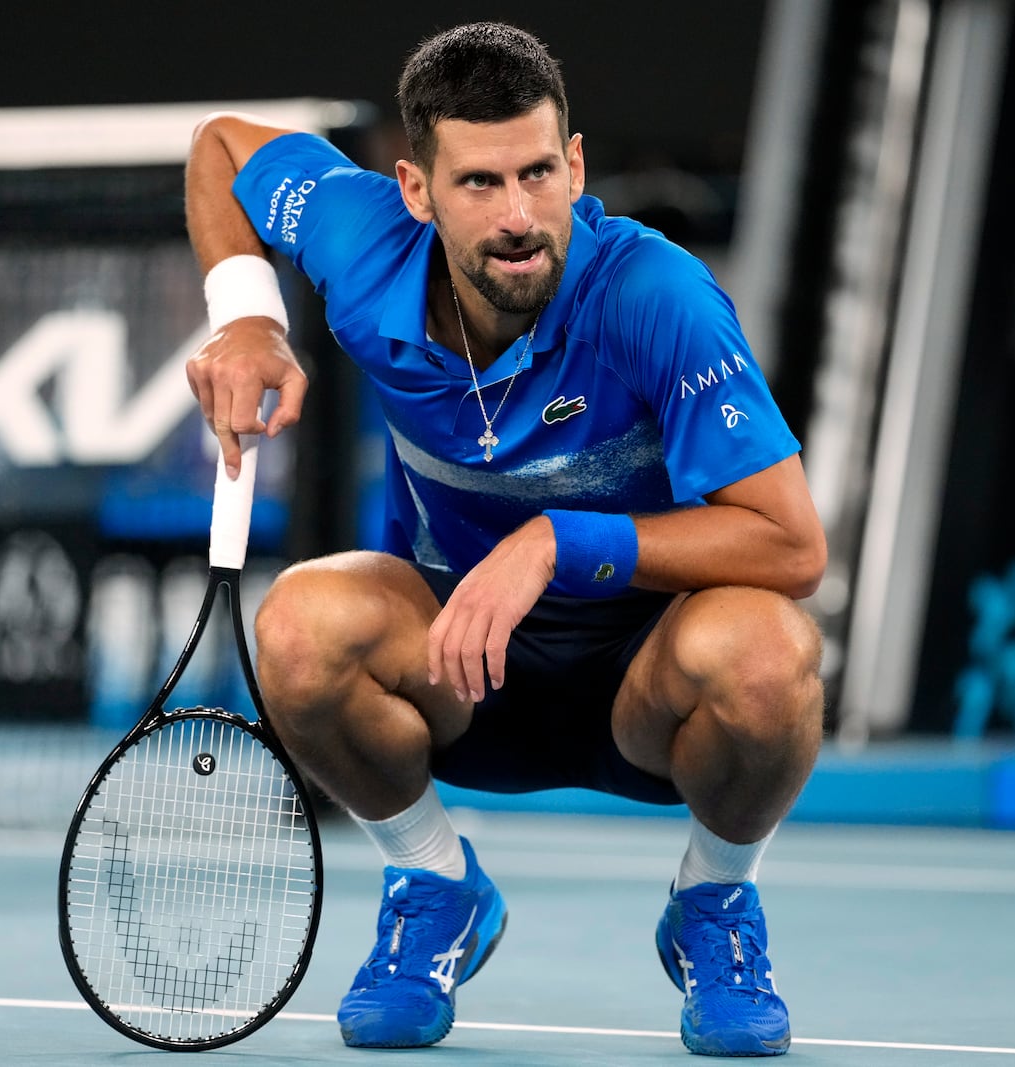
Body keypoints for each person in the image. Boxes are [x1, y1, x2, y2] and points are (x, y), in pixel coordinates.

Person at [183, 22, 827, 1057]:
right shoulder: (360, 249)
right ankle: (434, 879)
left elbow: (791, 547)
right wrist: (248, 314)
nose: (521, 216)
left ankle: (714, 903)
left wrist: (556, 544)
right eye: (480, 183)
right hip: (459, 669)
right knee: (299, 625)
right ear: (415, 189)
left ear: (574, 164)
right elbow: (221, 148)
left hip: (649, 687)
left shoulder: (654, 298)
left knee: (771, 655)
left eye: (539, 172)